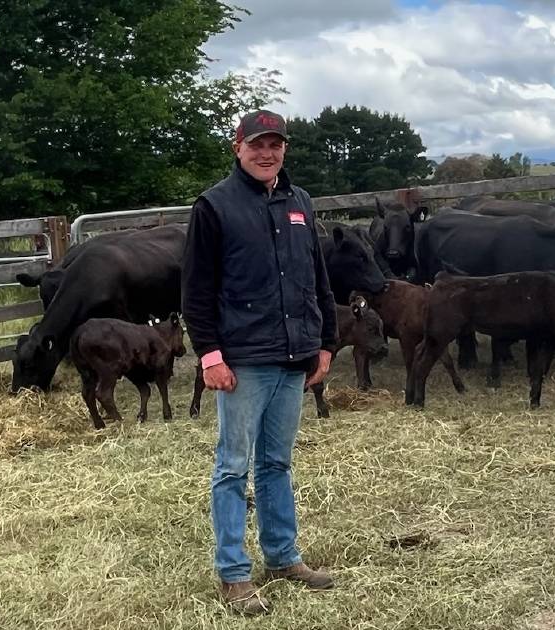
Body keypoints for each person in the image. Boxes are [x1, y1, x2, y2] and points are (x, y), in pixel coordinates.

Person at [182, 109, 338, 615]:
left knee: (277, 463)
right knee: (233, 467)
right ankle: (233, 574)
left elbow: (317, 277)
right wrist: (209, 354)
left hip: (294, 355)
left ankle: (283, 556)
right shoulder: (214, 207)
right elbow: (196, 291)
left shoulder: (300, 202)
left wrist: (326, 342)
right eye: (257, 144)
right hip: (243, 359)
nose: (266, 153)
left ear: (285, 149)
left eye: (275, 144)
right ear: (238, 148)